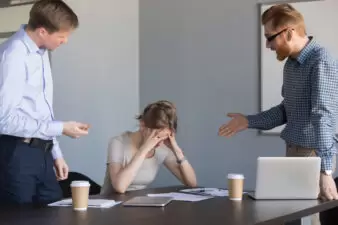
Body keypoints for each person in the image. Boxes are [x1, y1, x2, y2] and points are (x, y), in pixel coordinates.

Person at [218, 4, 338, 202]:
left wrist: (325, 170)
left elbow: (323, 115)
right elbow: (287, 110)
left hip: (312, 154)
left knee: (308, 218)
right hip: (293, 149)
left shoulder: (321, 61)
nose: (267, 45)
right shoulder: (291, 64)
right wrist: (248, 121)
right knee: (288, 215)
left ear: (289, 33)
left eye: (269, 37)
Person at [0, 0, 90, 205]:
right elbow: (4, 120)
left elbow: (42, 112)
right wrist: (61, 128)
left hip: (43, 153)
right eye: (61, 36)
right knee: (19, 219)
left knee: (54, 213)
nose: (65, 41)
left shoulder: (41, 54)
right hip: (17, 155)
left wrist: (56, 153)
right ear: (42, 31)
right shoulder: (13, 55)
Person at [100, 100, 197, 194]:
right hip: (112, 205)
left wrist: (177, 151)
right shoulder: (118, 142)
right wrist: (144, 150)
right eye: (157, 137)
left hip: (139, 204)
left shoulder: (162, 147)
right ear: (142, 125)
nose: (159, 143)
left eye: (164, 137)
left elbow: (192, 183)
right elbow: (120, 187)